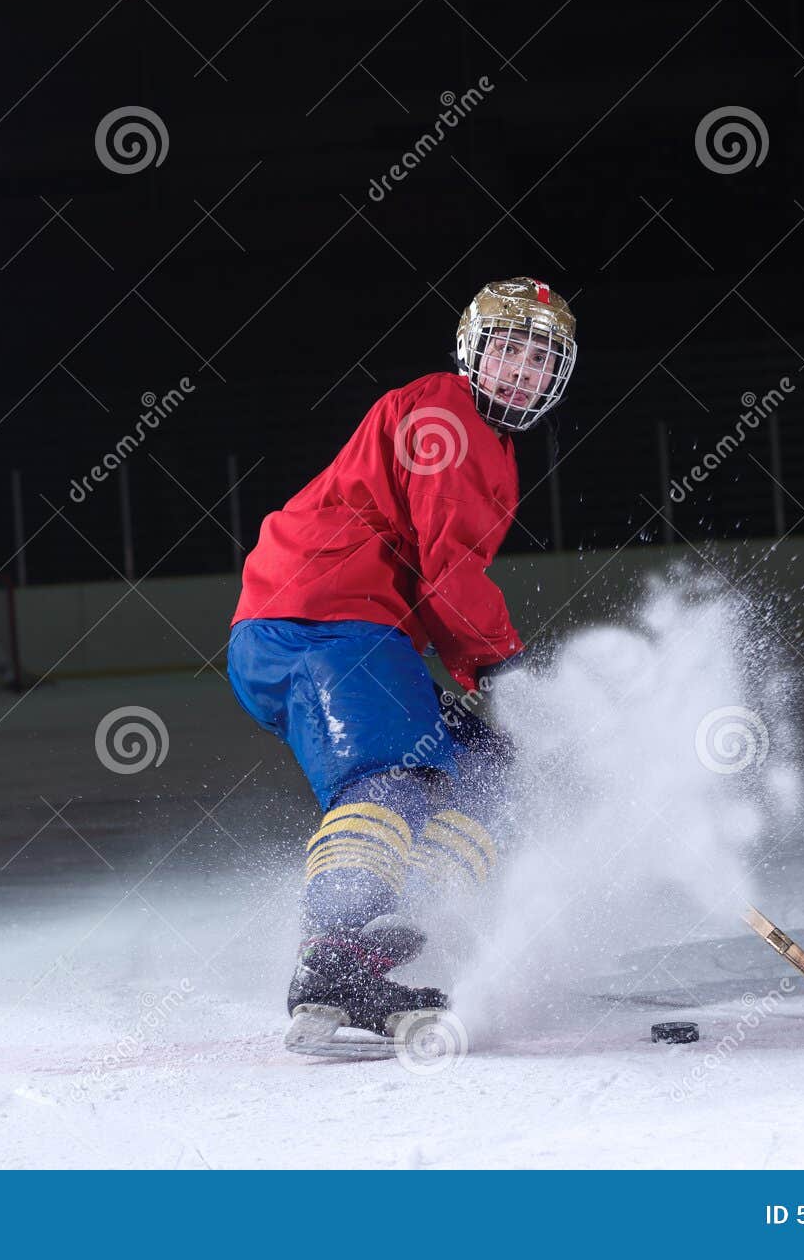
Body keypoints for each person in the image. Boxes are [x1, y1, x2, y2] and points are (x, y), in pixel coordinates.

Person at [226, 278, 578, 1050]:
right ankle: (330, 958)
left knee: (487, 762)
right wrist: (503, 669)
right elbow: (447, 570)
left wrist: (494, 678)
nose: (523, 370)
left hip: (364, 633)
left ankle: (399, 927)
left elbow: (439, 578)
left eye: (541, 358)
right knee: (393, 775)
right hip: (313, 619)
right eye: (509, 350)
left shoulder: (495, 447)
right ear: (473, 354)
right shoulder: (445, 411)